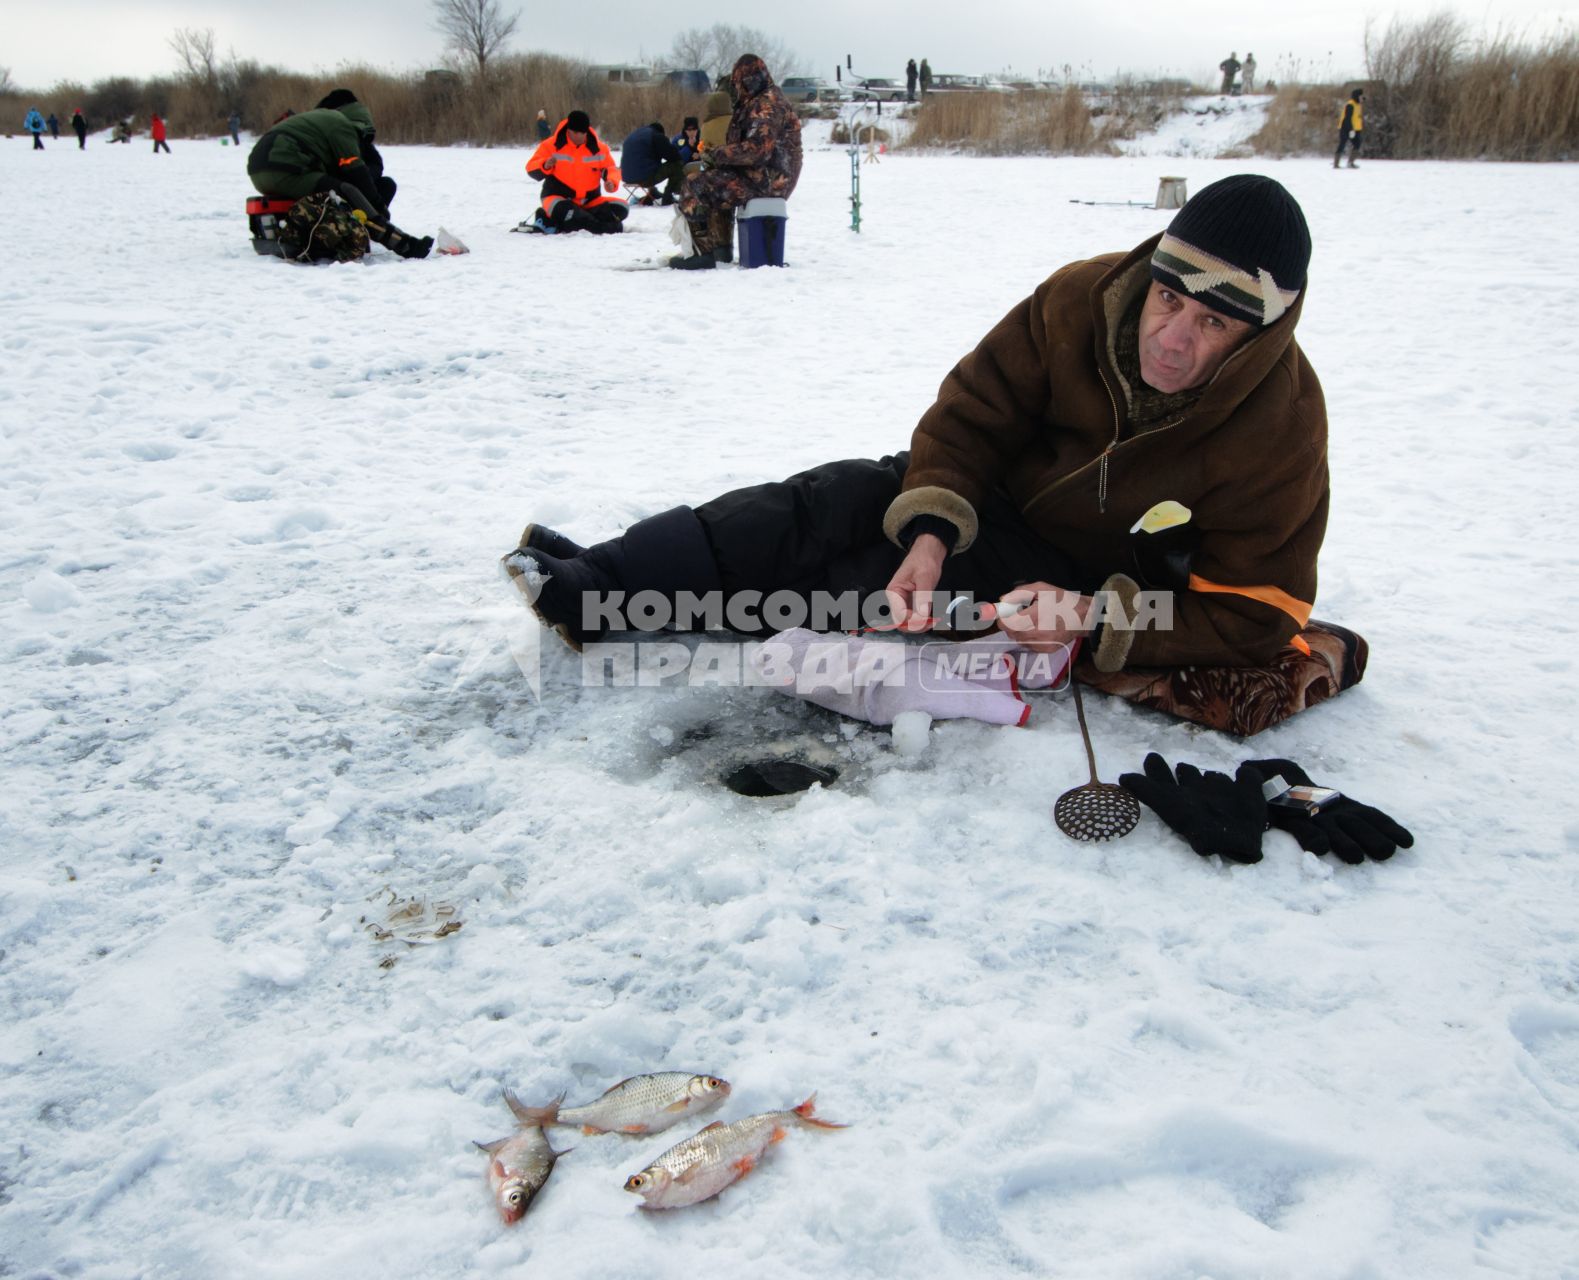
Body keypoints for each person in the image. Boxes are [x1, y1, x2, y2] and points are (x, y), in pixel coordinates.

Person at [508, 176, 1328, 720]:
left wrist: (1093, 617)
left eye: (1212, 323)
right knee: (823, 502)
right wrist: (932, 529)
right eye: (1168, 299)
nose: (1173, 339)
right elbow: (973, 413)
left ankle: (649, 610)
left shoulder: (1281, 424)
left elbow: (1260, 611)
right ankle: (604, 580)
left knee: (853, 588)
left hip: (1070, 579)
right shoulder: (1081, 297)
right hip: (980, 502)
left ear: (1258, 334)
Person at [248, 97, 433, 257]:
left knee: (327, 196)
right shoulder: (342, 124)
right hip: (286, 168)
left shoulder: (319, 119)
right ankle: (404, 244)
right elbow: (356, 171)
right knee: (347, 191)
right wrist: (378, 211)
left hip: (259, 171)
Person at [670, 54, 803, 271]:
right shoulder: (758, 101)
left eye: (739, 83)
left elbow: (758, 150)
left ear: (748, 81)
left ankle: (704, 252)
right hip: (760, 176)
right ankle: (718, 251)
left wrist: (717, 154)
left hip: (769, 181)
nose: (736, 88)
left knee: (695, 184)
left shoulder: (767, 104)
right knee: (714, 182)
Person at [525, 110, 627, 234]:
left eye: (582, 133)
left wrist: (611, 181)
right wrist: (545, 165)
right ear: (568, 130)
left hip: (589, 201)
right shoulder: (550, 145)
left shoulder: (599, 148)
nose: (579, 136)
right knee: (567, 212)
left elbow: (611, 169)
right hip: (557, 199)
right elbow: (530, 168)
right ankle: (597, 225)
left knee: (622, 208)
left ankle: (572, 221)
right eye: (575, 133)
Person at [619, 121, 685, 205]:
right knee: (677, 164)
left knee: (648, 164)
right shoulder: (656, 136)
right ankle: (668, 196)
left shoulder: (635, 135)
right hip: (644, 179)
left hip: (626, 177)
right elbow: (674, 156)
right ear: (661, 132)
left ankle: (652, 192)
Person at [1335, 87, 1364, 168]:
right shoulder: (1350, 105)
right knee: (1342, 143)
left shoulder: (1358, 104)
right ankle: (1336, 163)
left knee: (1357, 144)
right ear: (1356, 96)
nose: (1362, 98)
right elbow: (1347, 118)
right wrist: (1351, 130)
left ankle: (1350, 162)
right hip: (1345, 127)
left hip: (1356, 128)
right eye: (1361, 96)